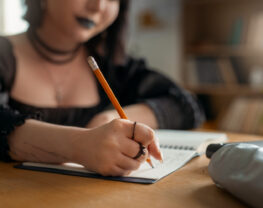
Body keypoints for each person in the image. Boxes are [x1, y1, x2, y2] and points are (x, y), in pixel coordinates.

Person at [0, 0, 204, 176]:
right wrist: (80, 145)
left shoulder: (112, 65)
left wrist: (110, 119)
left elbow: (187, 105)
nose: (98, 6)